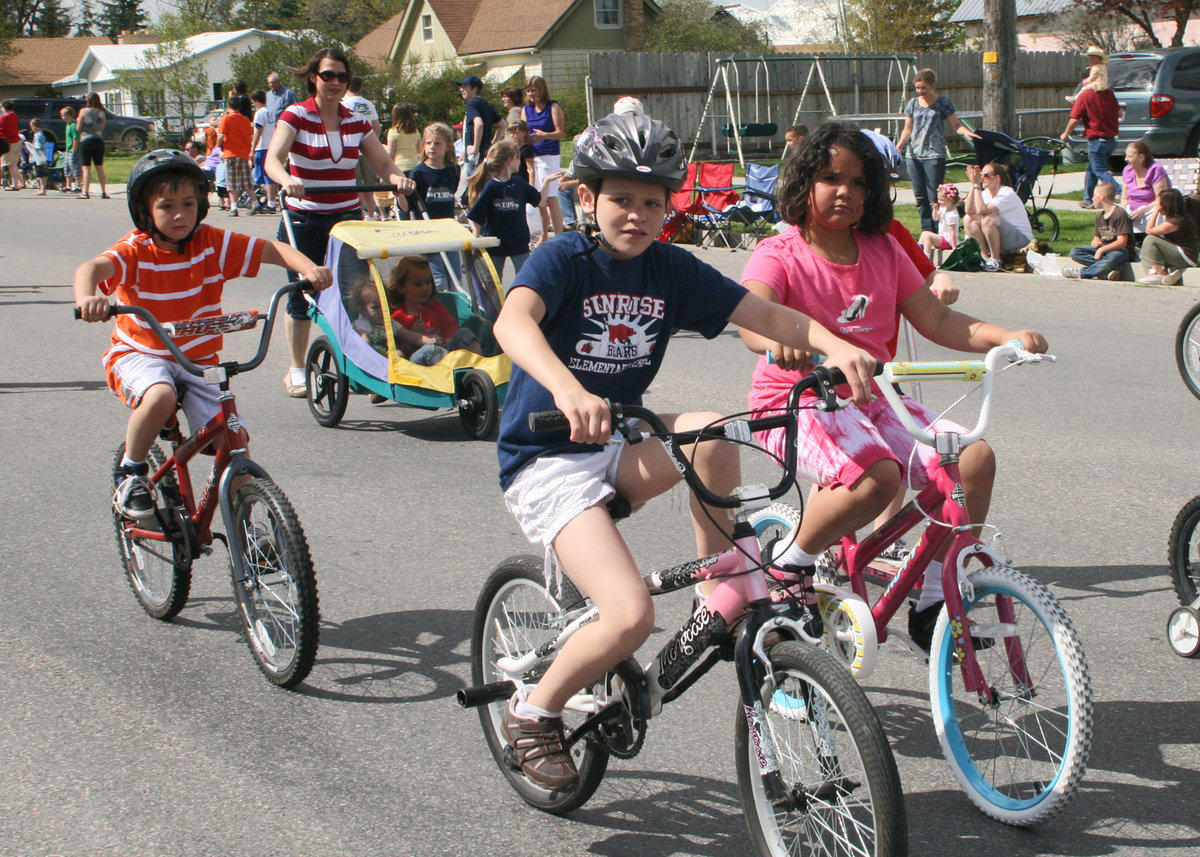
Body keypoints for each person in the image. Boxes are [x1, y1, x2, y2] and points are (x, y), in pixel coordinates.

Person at [491, 111, 875, 790]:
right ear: (587, 199)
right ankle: (533, 708)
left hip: (615, 440)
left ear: (668, 207)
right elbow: (512, 320)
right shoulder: (564, 259)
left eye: (650, 202)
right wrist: (565, 387)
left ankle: (717, 584)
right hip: (547, 456)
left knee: (712, 427)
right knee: (631, 615)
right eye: (619, 199)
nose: (635, 215)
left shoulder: (669, 269)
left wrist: (833, 345)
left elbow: (767, 317)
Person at [737, 120, 1046, 653]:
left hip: (875, 401)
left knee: (970, 460)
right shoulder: (780, 252)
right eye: (831, 178)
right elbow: (750, 317)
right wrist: (774, 336)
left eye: (860, 184)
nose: (846, 192)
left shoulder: (882, 250)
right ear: (803, 181)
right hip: (796, 402)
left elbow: (940, 322)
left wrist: (1008, 338)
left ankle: (932, 597)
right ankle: (790, 564)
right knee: (877, 480)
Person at [72, 150, 332, 519]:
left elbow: (272, 249)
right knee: (160, 396)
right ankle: (131, 472)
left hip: (198, 361)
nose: (180, 214)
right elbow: (92, 268)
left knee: (232, 436)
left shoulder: (211, 244)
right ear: (145, 212)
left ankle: (247, 529)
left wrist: (310, 269)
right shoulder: (135, 250)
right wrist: (88, 297)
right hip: (140, 353)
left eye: (189, 203)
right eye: (167, 206)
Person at [265, 47, 416, 398]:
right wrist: (286, 179)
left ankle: (367, 362)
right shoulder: (296, 115)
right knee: (304, 294)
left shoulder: (355, 120)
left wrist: (397, 178)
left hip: (346, 220)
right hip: (304, 217)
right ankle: (296, 368)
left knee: (359, 295)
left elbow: (382, 163)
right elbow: (273, 159)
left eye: (341, 77)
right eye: (327, 75)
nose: (334, 82)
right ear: (314, 78)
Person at [896, 69, 978, 233]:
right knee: (920, 196)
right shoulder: (912, 104)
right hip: (914, 154)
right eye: (918, 88)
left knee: (934, 196)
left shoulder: (943, 103)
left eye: (924, 88)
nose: (920, 91)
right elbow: (907, 129)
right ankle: (926, 231)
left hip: (934, 154)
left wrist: (967, 132)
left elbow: (956, 125)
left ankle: (939, 231)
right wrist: (900, 143)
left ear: (932, 85)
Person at [464, 139, 556, 280]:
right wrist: (474, 243)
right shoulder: (491, 187)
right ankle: (494, 303)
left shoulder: (519, 183)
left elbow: (541, 201)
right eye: (518, 158)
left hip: (519, 243)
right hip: (495, 243)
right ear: (509, 160)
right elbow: (477, 218)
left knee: (526, 277)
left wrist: (546, 182)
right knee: (492, 281)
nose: (521, 162)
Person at [385, 255, 482, 365]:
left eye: (428, 282)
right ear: (401, 287)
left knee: (465, 333)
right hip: (417, 364)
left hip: (444, 352)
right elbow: (398, 348)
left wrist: (448, 338)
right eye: (418, 285)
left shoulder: (435, 308)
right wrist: (412, 333)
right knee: (430, 350)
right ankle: (453, 370)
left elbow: (450, 326)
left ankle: (479, 368)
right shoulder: (397, 318)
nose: (425, 288)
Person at [406, 122, 460, 288]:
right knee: (438, 278)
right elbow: (409, 206)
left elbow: (454, 193)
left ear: (448, 146)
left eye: (437, 143)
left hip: (448, 230)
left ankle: (455, 311)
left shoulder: (453, 171)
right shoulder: (419, 172)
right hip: (428, 231)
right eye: (428, 143)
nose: (432, 147)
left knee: (455, 277)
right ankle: (438, 309)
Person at [1060, 70, 1121, 208]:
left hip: (1096, 140)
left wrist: (1065, 133)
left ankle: (1121, 191)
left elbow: (1075, 118)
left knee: (1099, 170)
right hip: (1111, 139)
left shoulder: (1085, 95)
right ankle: (1088, 199)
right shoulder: (1109, 94)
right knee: (1091, 169)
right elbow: (1119, 111)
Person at [963, 161, 1033, 271]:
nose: (982, 177)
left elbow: (982, 210)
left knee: (989, 219)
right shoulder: (985, 193)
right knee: (969, 219)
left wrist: (977, 186)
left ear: (997, 178)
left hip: (1021, 241)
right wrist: (973, 184)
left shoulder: (1006, 193)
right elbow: (969, 210)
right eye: (981, 174)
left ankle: (996, 259)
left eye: (986, 175)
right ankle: (984, 257)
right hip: (1002, 238)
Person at [523, 75, 566, 236]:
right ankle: (544, 235)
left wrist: (544, 135)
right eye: (528, 91)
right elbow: (523, 130)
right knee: (539, 199)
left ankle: (559, 234)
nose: (531, 94)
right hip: (532, 157)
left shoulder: (552, 106)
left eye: (533, 90)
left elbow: (560, 132)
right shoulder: (526, 110)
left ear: (541, 90)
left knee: (551, 197)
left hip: (549, 155)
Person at [1064, 182, 1132, 280]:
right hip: (1104, 250)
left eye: (1094, 196)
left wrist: (1102, 250)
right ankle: (1107, 270)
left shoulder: (1120, 214)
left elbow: (1122, 242)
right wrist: (1095, 242)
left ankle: (1082, 273)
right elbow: (1096, 238)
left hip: (1119, 250)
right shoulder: (1100, 216)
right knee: (1075, 252)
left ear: (1102, 196)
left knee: (1113, 257)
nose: (1092, 199)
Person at [1138, 187, 1199, 285]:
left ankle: (1157, 273)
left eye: (1159, 202)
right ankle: (1164, 272)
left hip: (1185, 256)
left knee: (1150, 240)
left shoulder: (1175, 222)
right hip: (1183, 255)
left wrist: (1155, 211)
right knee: (1146, 251)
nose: (1157, 204)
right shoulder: (1180, 217)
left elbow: (1149, 230)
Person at [343, 75, 383, 220]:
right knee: (370, 184)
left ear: (347, 87)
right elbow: (377, 128)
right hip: (367, 151)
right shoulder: (369, 105)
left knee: (356, 185)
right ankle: (372, 213)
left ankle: (360, 213)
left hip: (351, 150)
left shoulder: (344, 104)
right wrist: (371, 144)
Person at [457, 74, 502, 174]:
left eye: (465, 87)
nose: (461, 89)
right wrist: (493, 145)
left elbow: (479, 124)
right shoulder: (485, 104)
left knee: (474, 186)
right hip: (485, 155)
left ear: (474, 89)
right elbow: (502, 124)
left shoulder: (472, 104)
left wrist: (475, 148)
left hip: (474, 157)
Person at [1120, 140, 1169, 233]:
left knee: (1159, 210)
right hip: (1131, 211)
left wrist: (1142, 210)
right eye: (1126, 155)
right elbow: (1124, 197)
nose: (1126, 159)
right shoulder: (1127, 170)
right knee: (1115, 210)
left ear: (1141, 157)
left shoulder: (1155, 169)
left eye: (1130, 156)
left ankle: (1152, 235)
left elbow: (1162, 198)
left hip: (1150, 209)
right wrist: (1124, 210)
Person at [218, 95, 254, 217]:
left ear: (228, 106)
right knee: (246, 180)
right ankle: (255, 203)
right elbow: (250, 138)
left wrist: (219, 146)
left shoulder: (226, 119)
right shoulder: (245, 120)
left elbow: (221, 136)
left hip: (230, 153)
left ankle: (233, 207)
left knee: (231, 181)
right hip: (244, 153)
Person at [350, 280, 401, 355]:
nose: (382, 311)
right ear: (361, 310)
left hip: (388, 358)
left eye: (384, 305)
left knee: (399, 353)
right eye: (375, 307)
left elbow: (409, 335)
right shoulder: (362, 324)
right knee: (398, 354)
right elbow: (364, 342)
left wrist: (424, 340)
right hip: (371, 359)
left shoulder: (389, 322)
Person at [249, 90, 278, 214]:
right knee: (268, 175)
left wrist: (252, 148)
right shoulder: (272, 112)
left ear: (256, 101)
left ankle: (270, 203)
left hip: (262, 146)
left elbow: (258, 131)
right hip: (271, 145)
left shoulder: (260, 113)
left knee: (265, 176)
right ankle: (270, 201)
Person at [77, 93, 108, 200]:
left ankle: (85, 191)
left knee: (86, 167)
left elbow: (79, 128)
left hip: (86, 139)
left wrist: (78, 121)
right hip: (98, 140)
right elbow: (101, 128)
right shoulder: (102, 113)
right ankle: (104, 191)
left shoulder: (84, 111)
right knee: (99, 167)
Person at [918, 183, 960, 260]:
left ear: (950, 200)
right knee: (924, 233)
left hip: (948, 241)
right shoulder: (943, 209)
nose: (939, 201)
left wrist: (954, 247)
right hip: (942, 238)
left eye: (942, 200)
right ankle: (918, 252)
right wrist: (935, 209)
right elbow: (936, 218)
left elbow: (952, 232)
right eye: (938, 199)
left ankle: (926, 257)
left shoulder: (952, 215)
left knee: (928, 235)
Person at [386, 103, 420, 174]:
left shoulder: (393, 132)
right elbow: (420, 150)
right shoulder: (415, 131)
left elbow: (391, 154)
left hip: (400, 167)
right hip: (415, 166)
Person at [60, 105, 82, 193]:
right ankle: (68, 185)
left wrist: (74, 150)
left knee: (75, 167)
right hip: (68, 150)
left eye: (63, 115)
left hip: (74, 151)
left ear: (68, 115)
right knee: (67, 168)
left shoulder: (74, 125)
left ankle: (78, 186)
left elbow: (76, 139)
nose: (62, 117)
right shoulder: (68, 125)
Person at [26, 118, 50, 195]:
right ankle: (41, 188)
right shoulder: (37, 134)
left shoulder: (39, 135)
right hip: (37, 157)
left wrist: (30, 145)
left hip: (39, 157)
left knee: (41, 173)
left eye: (32, 126)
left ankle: (43, 189)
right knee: (39, 173)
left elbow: (38, 147)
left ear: (35, 126)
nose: (31, 128)